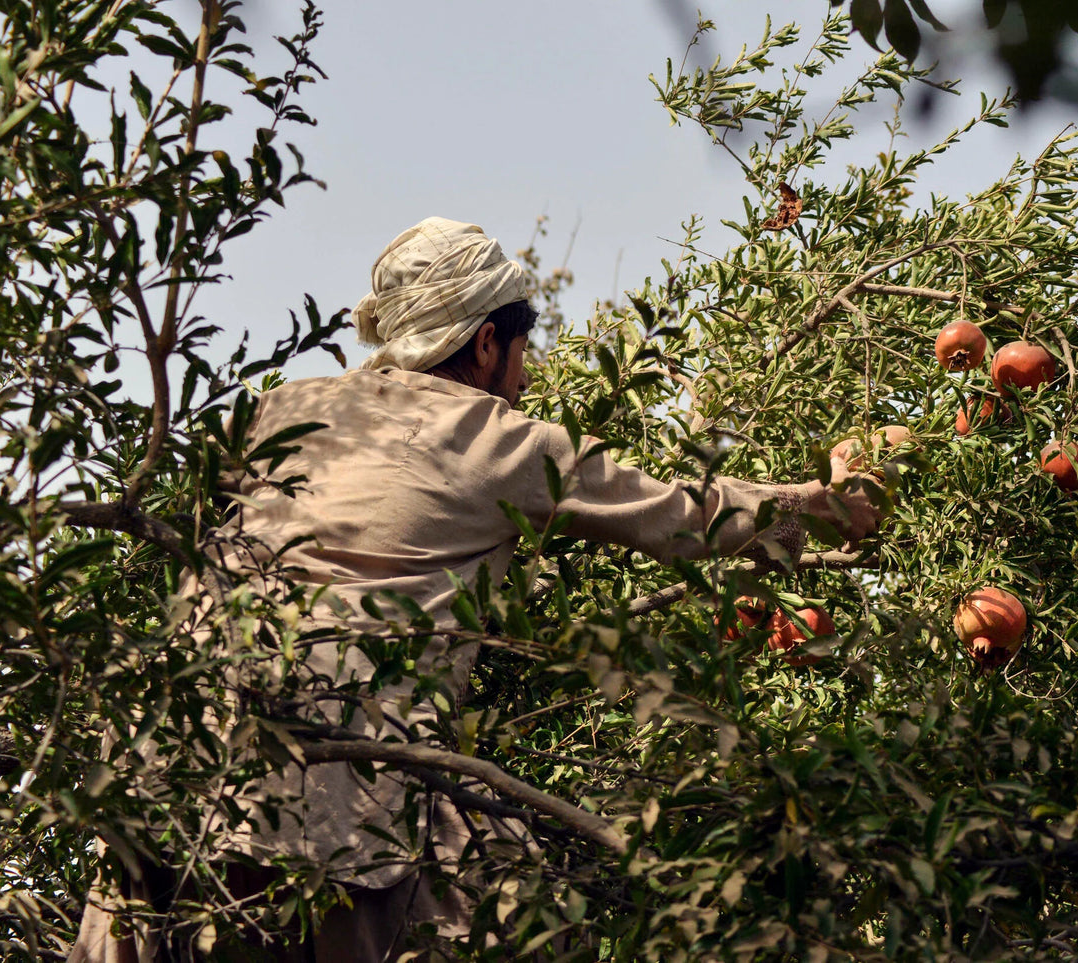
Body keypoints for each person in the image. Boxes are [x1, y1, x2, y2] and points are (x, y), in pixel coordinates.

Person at [69, 217, 880, 961]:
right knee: (533, 929)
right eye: (523, 356)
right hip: (339, 786)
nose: (524, 381)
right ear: (488, 343)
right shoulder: (496, 439)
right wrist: (822, 500)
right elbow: (683, 514)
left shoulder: (281, 406)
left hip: (162, 771)